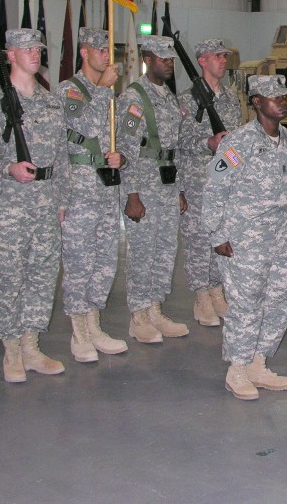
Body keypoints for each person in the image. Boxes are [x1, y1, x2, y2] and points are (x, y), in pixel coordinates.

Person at [0, 29, 68, 383]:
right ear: (9, 55)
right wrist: (8, 167)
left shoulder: (51, 101)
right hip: (6, 208)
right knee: (9, 278)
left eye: (38, 48)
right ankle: (11, 349)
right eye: (25, 49)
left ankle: (31, 345)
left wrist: (61, 199)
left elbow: (63, 159)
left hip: (44, 203)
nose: (34, 54)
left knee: (42, 277)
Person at [201, 74, 287, 401]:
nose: (282, 101)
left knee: (279, 299)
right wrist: (217, 233)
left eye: (283, 96)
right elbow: (215, 188)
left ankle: (259, 362)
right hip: (243, 238)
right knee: (245, 303)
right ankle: (238, 369)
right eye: (274, 97)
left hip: (280, 237)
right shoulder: (239, 142)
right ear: (257, 102)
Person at [57, 27, 128, 363]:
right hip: (79, 189)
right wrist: (101, 91)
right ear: (83, 52)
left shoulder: (108, 93)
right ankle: (78, 332)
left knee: (104, 260)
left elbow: (114, 139)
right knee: (79, 260)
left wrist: (120, 157)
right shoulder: (70, 91)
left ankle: (94, 323)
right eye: (99, 50)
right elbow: (80, 129)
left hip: (106, 185)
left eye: (108, 50)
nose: (105, 56)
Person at [116, 34, 188, 344]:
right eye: (163, 59)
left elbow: (176, 149)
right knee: (142, 252)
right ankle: (139, 316)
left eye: (171, 58)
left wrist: (181, 189)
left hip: (167, 186)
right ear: (147, 60)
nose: (169, 63)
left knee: (165, 250)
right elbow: (125, 148)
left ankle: (156, 309)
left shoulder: (169, 98)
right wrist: (131, 194)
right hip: (143, 186)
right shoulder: (134, 97)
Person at [179, 39, 241, 327]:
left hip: (224, 182)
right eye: (217, 56)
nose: (223, 60)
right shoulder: (186, 100)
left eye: (224, 56)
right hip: (196, 180)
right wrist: (208, 142)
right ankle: (201, 297)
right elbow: (178, 141)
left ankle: (217, 291)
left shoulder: (230, 97)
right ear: (202, 60)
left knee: (221, 234)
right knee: (197, 240)